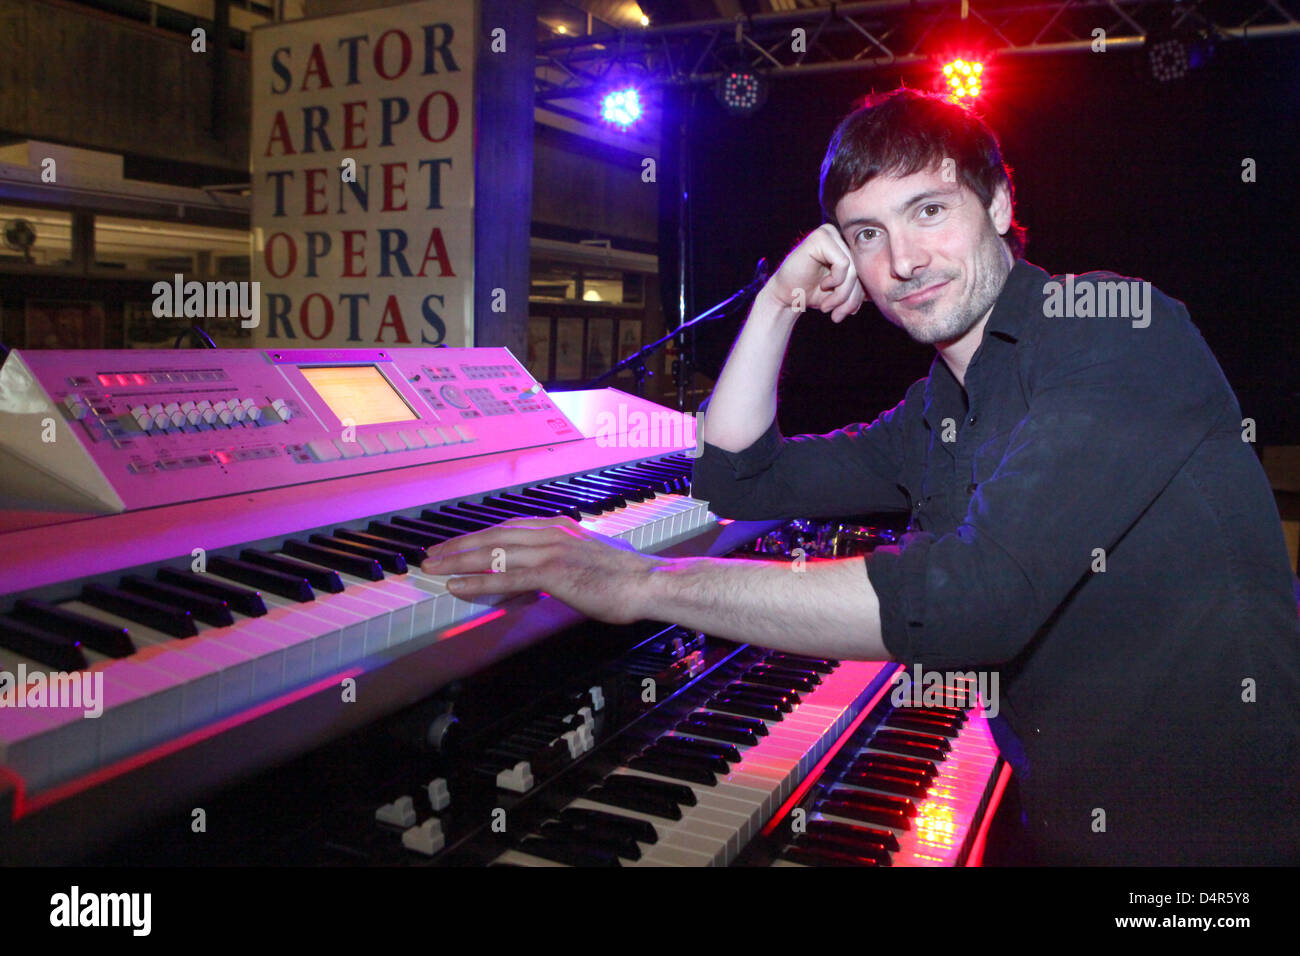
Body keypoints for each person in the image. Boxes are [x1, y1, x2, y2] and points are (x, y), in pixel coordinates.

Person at [422, 88, 1300, 865]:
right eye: (867, 234)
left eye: (929, 211)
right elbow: (738, 479)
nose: (903, 262)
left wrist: (644, 581)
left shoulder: (1119, 328)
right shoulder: (933, 412)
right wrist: (778, 300)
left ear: (998, 203)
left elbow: (975, 599)